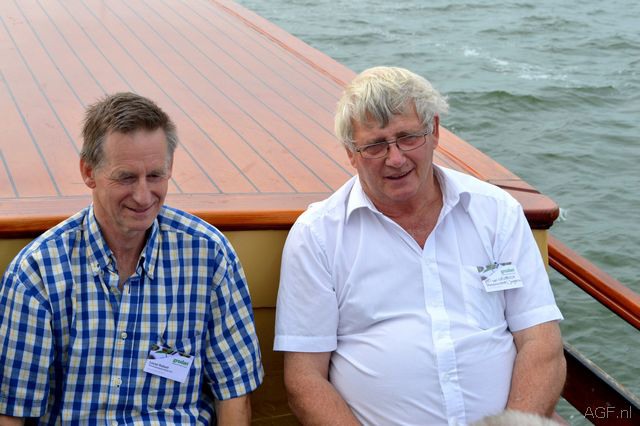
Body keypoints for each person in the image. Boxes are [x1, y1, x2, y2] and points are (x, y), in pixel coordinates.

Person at [274, 66, 566, 425]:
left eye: (408, 137)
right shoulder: (318, 235)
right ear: (351, 153)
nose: (395, 158)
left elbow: (541, 342)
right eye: (375, 145)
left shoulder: (496, 212)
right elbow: (305, 380)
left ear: (435, 132)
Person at [0, 93, 263, 425]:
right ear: (88, 171)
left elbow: (234, 394)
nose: (142, 196)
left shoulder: (210, 257)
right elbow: (12, 412)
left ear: (170, 167)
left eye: (155, 176)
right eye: (126, 177)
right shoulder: (37, 273)